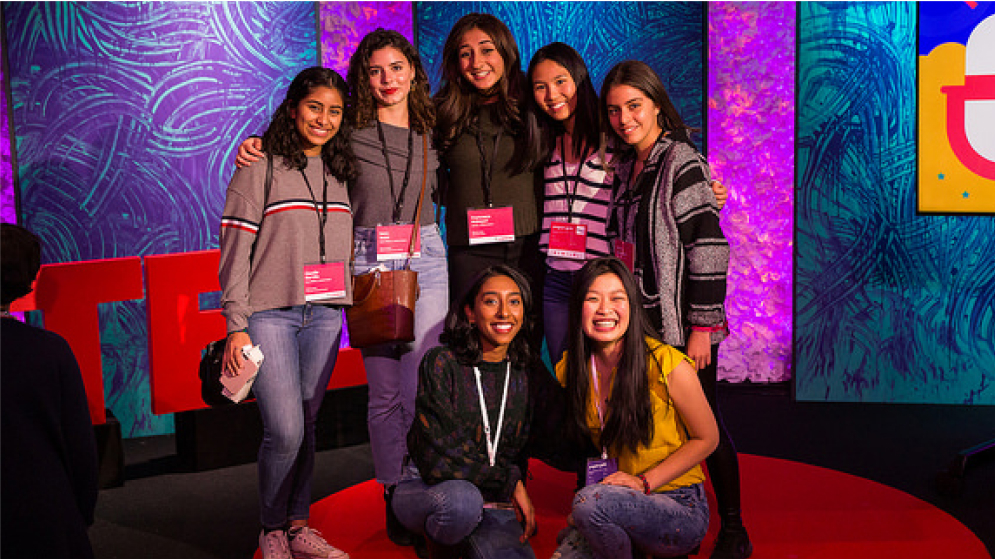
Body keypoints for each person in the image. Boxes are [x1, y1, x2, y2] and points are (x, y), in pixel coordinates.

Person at [237, 31, 449, 547]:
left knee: (426, 381)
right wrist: (255, 143)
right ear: (364, 77)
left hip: (426, 254)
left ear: (414, 72)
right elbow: (297, 141)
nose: (387, 80)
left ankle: (427, 488)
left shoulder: (434, 127)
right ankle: (394, 492)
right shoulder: (348, 129)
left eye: (396, 68)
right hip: (367, 257)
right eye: (376, 71)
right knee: (384, 391)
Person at [600, 60, 751, 559]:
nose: (625, 119)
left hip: (682, 328)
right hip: (642, 325)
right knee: (657, 424)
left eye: (635, 107)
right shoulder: (626, 167)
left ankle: (733, 527)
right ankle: (660, 517)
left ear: (658, 105)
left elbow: (709, 249)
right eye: (615, 110)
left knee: (703, 426)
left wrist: (703, 329)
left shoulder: (680, 162)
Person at [219, 66, 357, 559]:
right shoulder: (261, 164)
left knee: (308, 421)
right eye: (315, 107)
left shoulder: (343, 171)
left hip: (324, 316)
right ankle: (270, 528)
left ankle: (298, 526)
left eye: (335, 111)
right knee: (285, 429)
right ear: (294, 107)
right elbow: (235, 248)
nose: (324, 119)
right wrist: (236, 324)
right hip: (269, 314)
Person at [522, 43, 728, 366]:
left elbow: (696, 227)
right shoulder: (543, 142)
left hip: (600, 278)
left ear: (579, 80)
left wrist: (707, 189)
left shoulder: (616, 142)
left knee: (607, 376)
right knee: (566, 376)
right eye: (540, 86)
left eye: (561, 81)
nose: (552, 94)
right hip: (557, 280)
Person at [552, 256, 719, 559]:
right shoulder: (570, 370)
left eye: (617, 298)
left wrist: (643, 483)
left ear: (632, 306)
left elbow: (708, 439)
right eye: (593, 299)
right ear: (578, 308)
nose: (605, 309)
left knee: (588, 506)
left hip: (677, 503)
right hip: (614, 499)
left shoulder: (666, 363)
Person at [392, 264, 538, 559]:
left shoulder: (521, 372)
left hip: (491, 494)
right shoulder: (441, 362)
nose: (504, 313)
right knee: (461, 504)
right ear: (470, 313)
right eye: (490, 301)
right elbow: (439, 458)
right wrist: (511, 481)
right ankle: (435, 542)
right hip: (428, 486)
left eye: (514, 301)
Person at [433, 13, 545, 350]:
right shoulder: (443, 111)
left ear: (506, 53)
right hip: (469, 250)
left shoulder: (533, 104)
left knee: (524, 345)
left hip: (525, 247)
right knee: (471, 346)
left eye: (486, 50)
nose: (476, 62)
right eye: (465, 53)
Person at [1, 223, 100, 559]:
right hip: (46, 517)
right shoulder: (51, 351)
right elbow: (81, 446)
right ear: (31, 280)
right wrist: (80, 514)